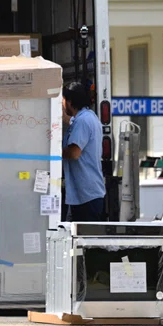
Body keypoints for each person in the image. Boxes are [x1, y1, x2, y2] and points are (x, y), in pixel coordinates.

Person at [61, 81, 107, 222]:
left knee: (83, 240)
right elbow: (72, 122)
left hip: (86, 195)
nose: (62, 103)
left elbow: (75, 153)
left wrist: (51, 152)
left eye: (62, 100)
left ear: (69, 101)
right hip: (86, 194)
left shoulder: (83, 121)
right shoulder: (87, 117)